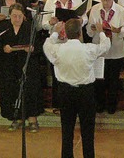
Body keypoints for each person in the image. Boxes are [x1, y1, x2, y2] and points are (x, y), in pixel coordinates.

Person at [44, 18, 111, 158]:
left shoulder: (58, 49)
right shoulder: (88, 49)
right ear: (80, 33)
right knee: (88, 132)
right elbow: (105, 46)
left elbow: (47, 46)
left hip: (65, 92)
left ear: (66, 34)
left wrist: (55, 33)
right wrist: (101, 32)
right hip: (85, 93)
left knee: (66, 130)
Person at [0, 3, 43, 132]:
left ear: (24, 16)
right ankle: (17, 118)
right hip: (9, 66)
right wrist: (4, 49)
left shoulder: (30, 27)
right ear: (10, 16)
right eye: (14, 16)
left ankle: (32, 120)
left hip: (27, 65)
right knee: (12, 91)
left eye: (19, 16)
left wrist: (32, 49)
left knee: (30, 91)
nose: (17, 19)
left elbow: (39, 45)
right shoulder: (3, 27)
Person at [87, 0, 124, 114]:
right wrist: (93, 29)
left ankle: (111, 105)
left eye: (108, 0)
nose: (105, 2)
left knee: (113, 81)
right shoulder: (94, 9)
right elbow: (88, 32)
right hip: (99, 50)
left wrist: (117, 30)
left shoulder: (120, 10)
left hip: (115, 50)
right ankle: (99, 104)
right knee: (99, 80)